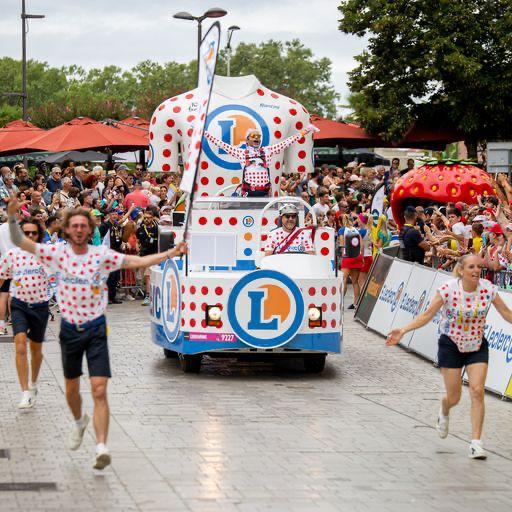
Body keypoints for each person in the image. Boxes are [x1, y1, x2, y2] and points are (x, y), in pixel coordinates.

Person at [7, 197, 187, 470]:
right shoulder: (57, 254)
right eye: (74, 226)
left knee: (99, 389)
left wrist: (170, 253)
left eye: (83, 226)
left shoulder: (101, 256)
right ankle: (80, 421)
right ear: (66, 230)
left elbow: (137, 261)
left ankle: (101, 446)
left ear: (90, 230)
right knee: (72, 391)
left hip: (96, 330)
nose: (79, 230)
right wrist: (11, 216)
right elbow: (21, 242)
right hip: (69, 330)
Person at [386, 254, 512, 459]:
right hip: (450, 345)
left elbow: (506, 313)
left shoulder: (488, 288)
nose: (476, 271)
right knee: (454, 397)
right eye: (471, 267)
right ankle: (444, 410)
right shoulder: (448, 289)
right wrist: (403, 330)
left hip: (477, 345)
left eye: (479, 267)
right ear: (461, 270)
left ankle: (476, 443)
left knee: (477, 390)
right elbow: (427, 314)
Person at [0, 218, 50, 409]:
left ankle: (34, 383)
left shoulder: (46, 255)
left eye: (33, 233)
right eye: (26, 233)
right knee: (20, 344)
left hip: (40, 305)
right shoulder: (11, 255)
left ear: (39, 235)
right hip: (19, 303)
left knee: (36, 350)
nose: (29, 236)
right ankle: (25, 392)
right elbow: (2, 277)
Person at [204, 125, 317, 197]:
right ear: (247, 140)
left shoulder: (267, 151)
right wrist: (203, 132)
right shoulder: (241, 153)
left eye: (258, 136)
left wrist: (305, 131)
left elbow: (286, 142)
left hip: (264, 193)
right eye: (253, 136)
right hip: (248, 193)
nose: (257, 138)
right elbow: (220, 144)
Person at [136, 206, 159, 305]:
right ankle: (150, 294)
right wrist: (137, 248)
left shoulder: (157, 228)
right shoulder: (140, 229)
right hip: (143, 256)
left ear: (153, 218)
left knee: (147, 275)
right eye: (144, 218)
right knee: (145, 278)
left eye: (148, 218)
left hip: (153, 256)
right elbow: (137, 241)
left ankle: (148, 296)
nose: (146, 220)